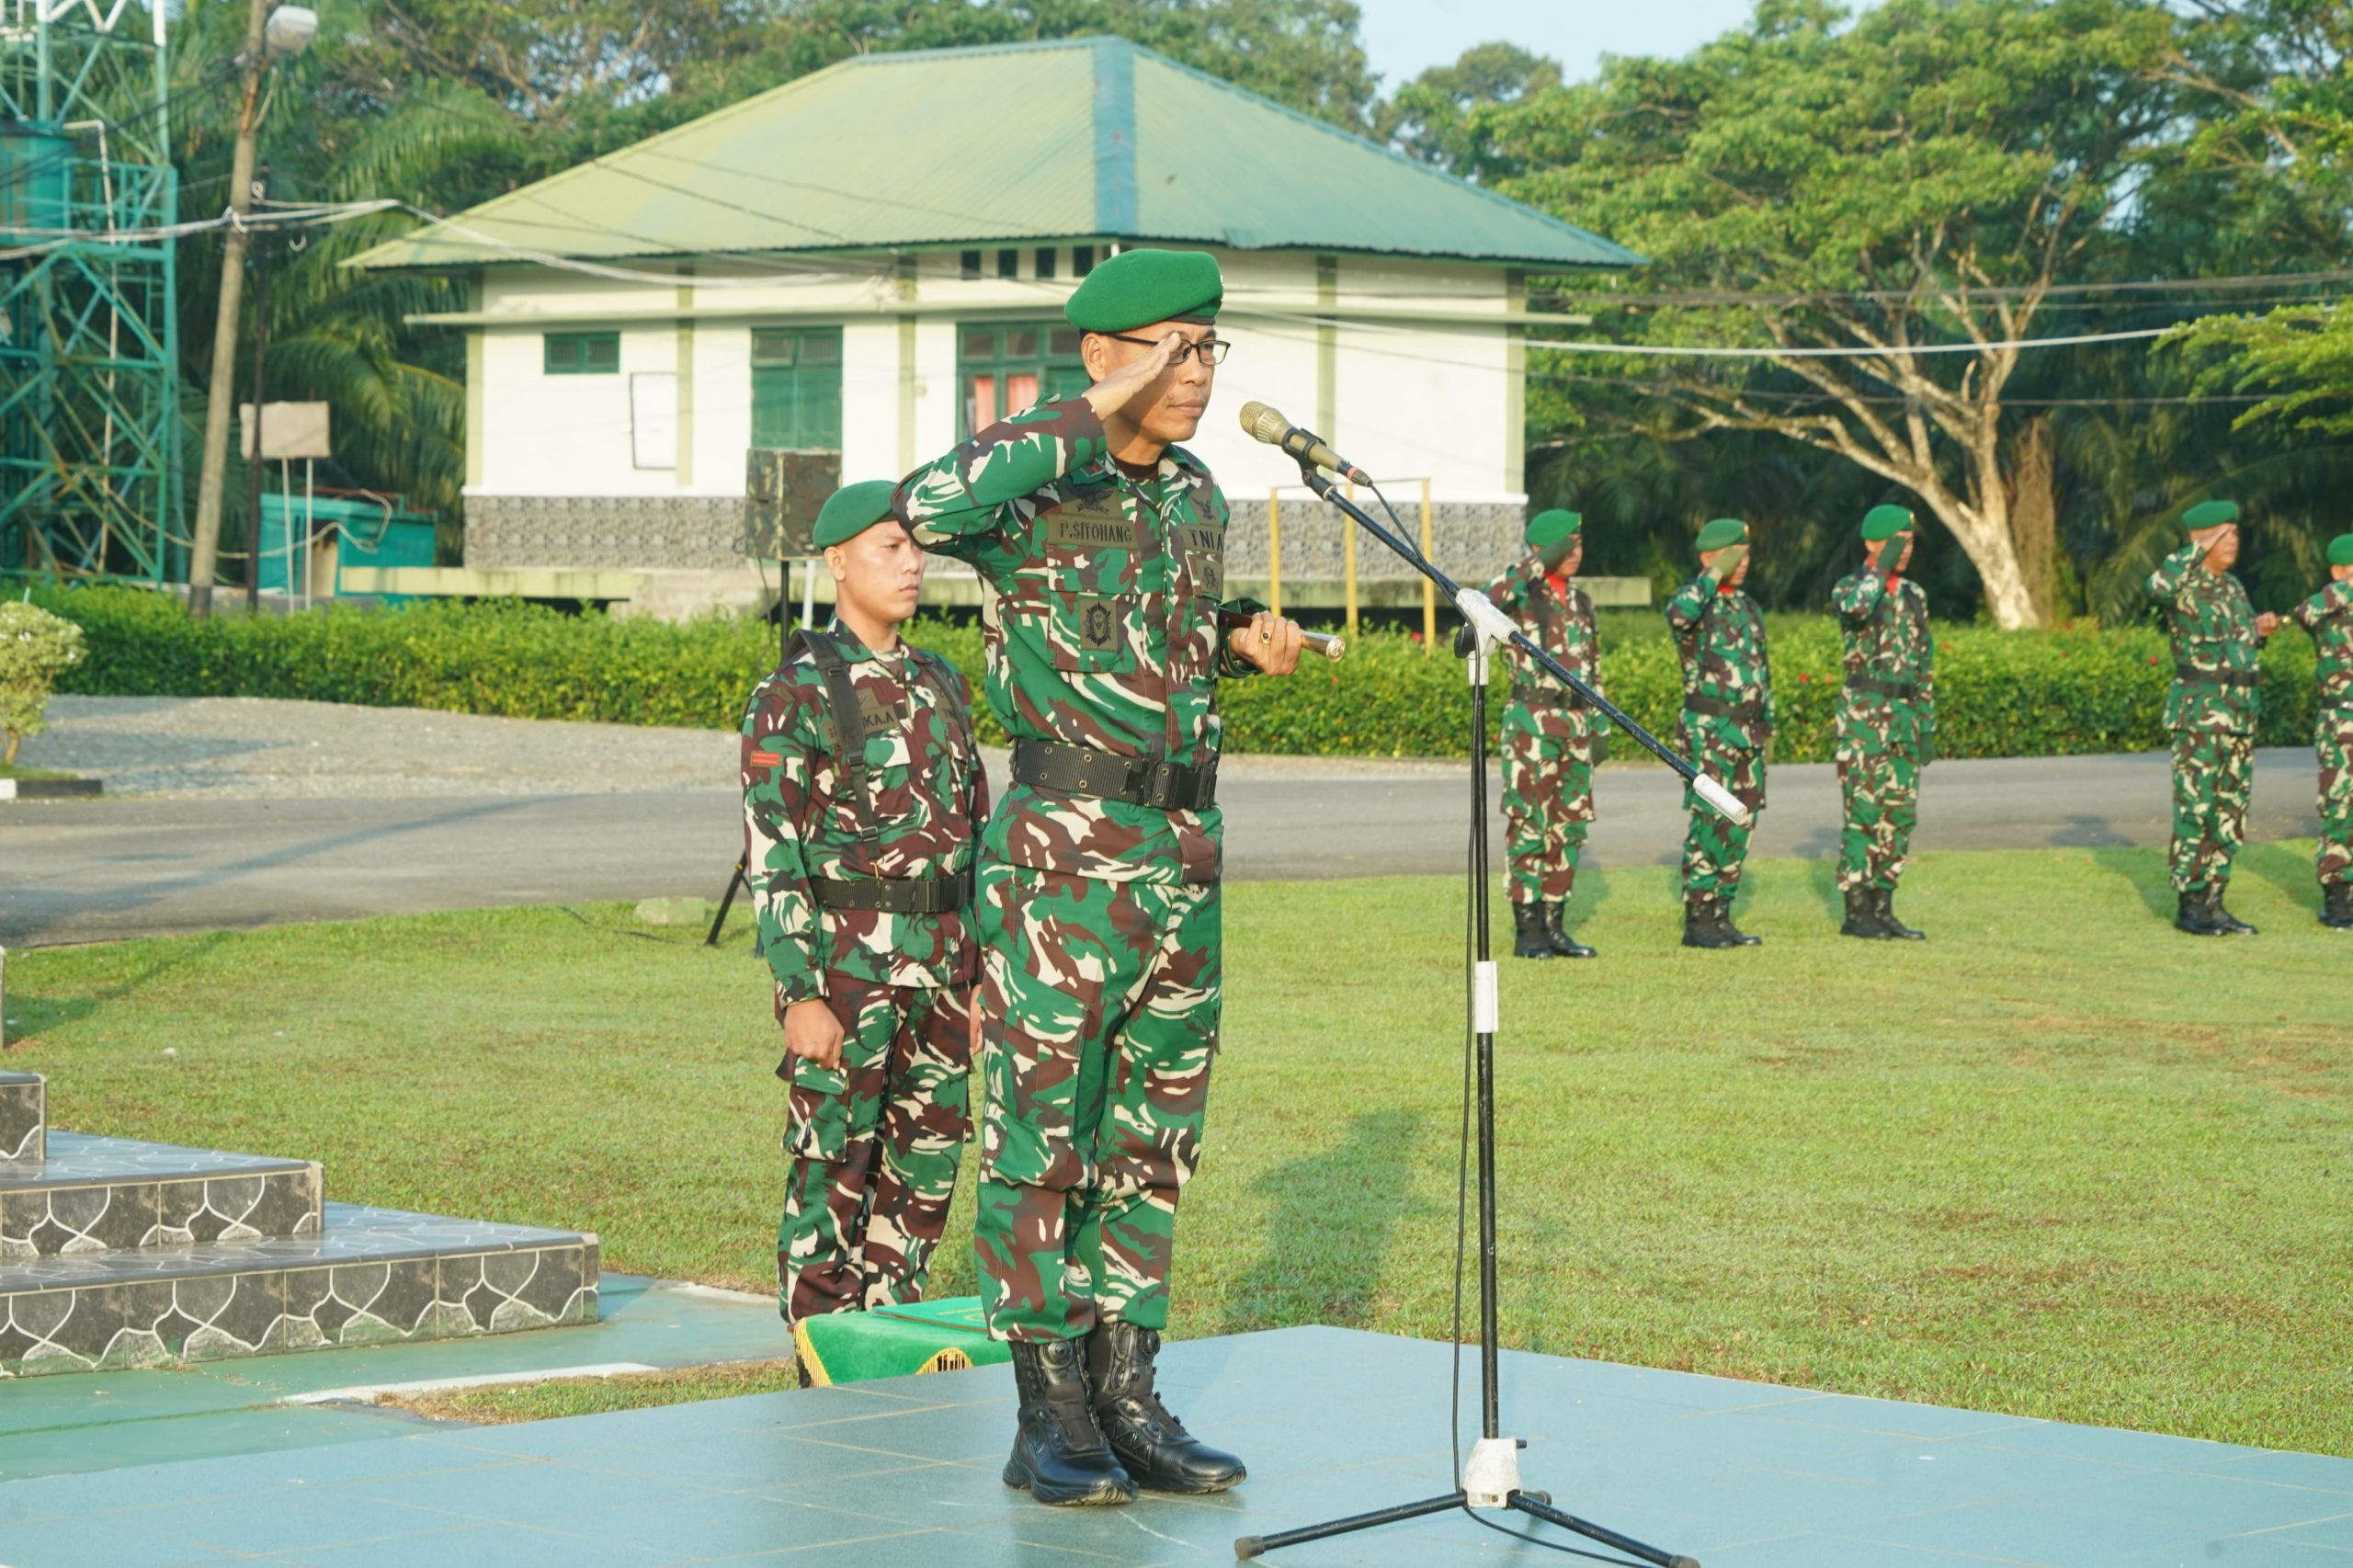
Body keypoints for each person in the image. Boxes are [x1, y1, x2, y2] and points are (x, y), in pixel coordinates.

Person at [894, 247, 1306, 1507]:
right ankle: (1049, 1412)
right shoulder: (1035, 481)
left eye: (1208, 348)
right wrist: (1090, 414)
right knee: (1042, 1135)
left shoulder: (1194, 494)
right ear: (1101, 354)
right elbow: (926, 504)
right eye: (1173, 348)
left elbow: (1149, 636)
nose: (1198, 373)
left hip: (1183, 851)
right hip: (1061, 860)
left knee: (1154, 1133)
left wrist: (1235, 640)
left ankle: (1128, 1398)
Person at [739, 480, 988, 1379]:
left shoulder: (940, 681)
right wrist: (800, 994)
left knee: (922, 1177)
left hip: (943, 978)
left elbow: (975, 836)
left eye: (916, 546)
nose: (912, 562)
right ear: (838, 562)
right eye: (890, 547)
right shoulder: (794, 691)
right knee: (833, 1173)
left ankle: (890, 1357)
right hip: (849, 976)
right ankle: (819, 1370)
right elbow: (774, 855)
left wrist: (982, 975)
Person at [2149, 499, 2278, 936]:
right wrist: (2197, 548)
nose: (2233, 541)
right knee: (2197, 809)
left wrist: (2257, 632)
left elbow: (2234, 644)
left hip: (2239, 717)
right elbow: (2156, 585)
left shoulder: (2233, 587)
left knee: (2230, 811)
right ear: (2199, 538)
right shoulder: (2183, 583)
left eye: (2235, 533)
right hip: (2200, 718)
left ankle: (2215, 901)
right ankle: (2190, 904)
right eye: (2225, 534)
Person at [1488, 508, 1608, 959]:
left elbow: (1593, 668)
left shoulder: (1581, 601)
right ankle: (1529, 929)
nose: (1576, 552)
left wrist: (1599, 725)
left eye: (1579, 544)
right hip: (1532, 723)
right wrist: (1537, 563)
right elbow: (1485, 601)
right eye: (1566, 545)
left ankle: (1555, 924)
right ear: (1541, 549)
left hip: (1577, 723)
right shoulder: (1520, 593)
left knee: (1569, 825)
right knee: (1530, 823)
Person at [1830, 504, 1936, 940]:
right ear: (1872, 543)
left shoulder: (1914, 595)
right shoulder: (1851, 586)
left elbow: (1924, 665)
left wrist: (1926, 724)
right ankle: (1857, 911)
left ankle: (1883, 904)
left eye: (1909, 542)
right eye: (1896, 542)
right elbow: (1856, 609)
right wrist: (1880, 568)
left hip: (1905, 718)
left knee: (1900, 814)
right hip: (1865, 717)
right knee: (1864, 812)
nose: (1905, 549)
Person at [1666, 517, 1771, 949]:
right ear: (1710, 556)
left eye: (1745, 555)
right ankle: (1699, 918)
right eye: (1734, 556)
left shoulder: (1747, 606)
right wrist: (1713, 573)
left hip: (1748, 733)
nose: (1743, 563)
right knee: (1710, 821)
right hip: (1710, 732)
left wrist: (1767, 724)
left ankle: (1722, 913)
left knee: (1741, 820)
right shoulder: (1694, 600)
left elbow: (1762, 670)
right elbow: (1679, 615)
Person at [2287, 531, 2353, 929]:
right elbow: (2302, 613)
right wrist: (2347, 588)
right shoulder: (2328, 605)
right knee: (2339, 807)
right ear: (2338, 571)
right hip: (2340, 721)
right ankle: (2338, 896)